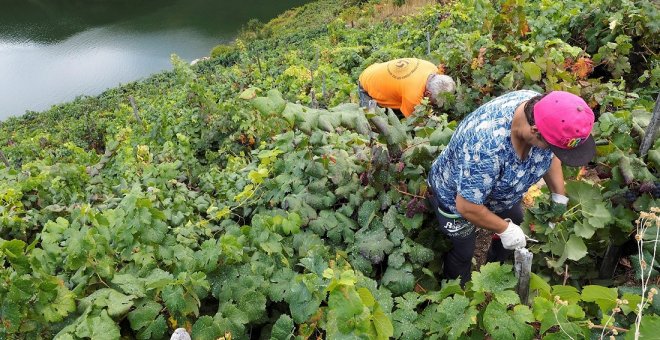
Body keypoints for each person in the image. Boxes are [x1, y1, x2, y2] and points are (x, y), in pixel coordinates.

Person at [426, 90, 596, 285]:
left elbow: (552, 155)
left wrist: (559, 196)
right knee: (463, 251)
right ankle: (457, 290)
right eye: (551, 146)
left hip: (502, 192)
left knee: (517, 222)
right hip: (456, 199)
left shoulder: (544, 109)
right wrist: (505, 229)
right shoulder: (486, 149)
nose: (552, 152)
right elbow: (467, 207)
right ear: (534, 131)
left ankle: (494, 270)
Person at [358, 58, 456, 118]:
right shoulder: (413, 96)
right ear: (428, 94)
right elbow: (414, 123)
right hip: (367, 82)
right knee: (371, 121)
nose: (433, 104)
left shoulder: (432, 68)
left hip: (376, 69)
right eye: (433, 102)